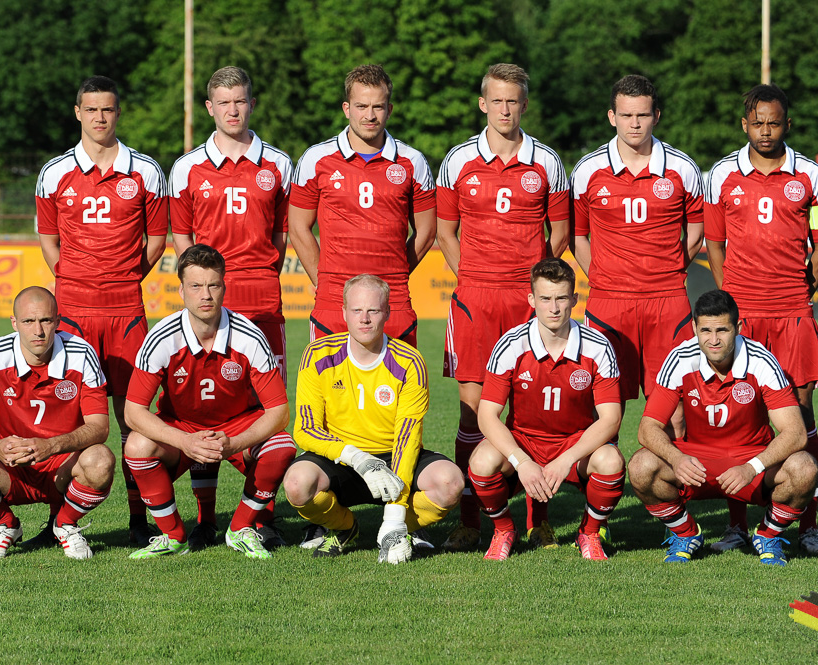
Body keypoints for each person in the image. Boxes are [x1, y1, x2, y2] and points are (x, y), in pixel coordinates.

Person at [436, 64, 570, 552]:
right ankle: (471, 520)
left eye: (513, 101)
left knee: (536, 417)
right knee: (472, 416)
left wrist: (534, 287)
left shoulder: (547, 161)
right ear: (483, 104)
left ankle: (539, 521)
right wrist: (472, 278)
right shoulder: (457, 160)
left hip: (527, 303)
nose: (505, 109)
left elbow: (560, 232)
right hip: (476, 302)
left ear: (524, 105)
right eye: (497, 100)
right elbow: (445, 232)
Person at [35, 75, 169, 547]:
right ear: (78, 113)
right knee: (65, 419)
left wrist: (123, 280)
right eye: (91, 109)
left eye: (107, 109)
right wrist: (75, 281)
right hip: (72, 314)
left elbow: (157, 241)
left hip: (126, 312)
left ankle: (139, 518)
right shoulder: (54, 172)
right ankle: (58, 520)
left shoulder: (146, 170)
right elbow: (49, 242)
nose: (99, 117)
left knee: (133, 415)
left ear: (118, 113)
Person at [704, 84, 818, 555]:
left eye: (773, 123)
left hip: (792, 313)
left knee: (801, 413)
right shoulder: (721, 174)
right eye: (757, 122)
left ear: (787, 124)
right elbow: (714, 242)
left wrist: (800, 293)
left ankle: (808, 526)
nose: (765, 131)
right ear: (745, 124)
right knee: (742, 417)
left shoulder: (811, 175)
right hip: (745, 315)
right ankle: (737, 526)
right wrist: (732, 300)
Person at [168, 66, 293, 550]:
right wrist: (203, 282)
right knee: (208, 403)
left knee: (264, 406)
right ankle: (205, 519)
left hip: (262, 296)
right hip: (209, 295)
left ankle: (261, 517)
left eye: (240, 101)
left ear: (252, 103)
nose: (233, 110)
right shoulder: (187, 167)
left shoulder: (277, 163)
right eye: (223, 102)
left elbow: (281, 235)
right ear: (209, 108)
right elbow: (183, 239)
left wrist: (259, 272)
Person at [123, 244, 296, 559]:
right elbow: (133, 412)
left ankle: (239, 529)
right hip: (182, 427)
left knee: (282, 446)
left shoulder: (249, 336)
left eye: (213, 285)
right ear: (181, 291)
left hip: (236, 424)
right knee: (136, 445)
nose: (205, 295)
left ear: (224, 287)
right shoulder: (161, 338)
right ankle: (172, 536)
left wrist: (235, 443)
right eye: (196, 286)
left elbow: (279, 412)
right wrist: (184, 441)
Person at [629, 290, 818, 566]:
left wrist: (751, 467)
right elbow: (647, 428)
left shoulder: (761, 360)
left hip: (752, 460)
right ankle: (686, 533)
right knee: (640, 467)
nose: (713, 340)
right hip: (697, 461)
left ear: (738, 328)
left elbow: (796, 433)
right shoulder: (680, 358)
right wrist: (676, 458)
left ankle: (768, 535)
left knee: (805, 469)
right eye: (705, 330)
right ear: (694, 328)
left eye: (722, 330)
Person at [283, 274, 463, 563]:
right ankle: (344, 527)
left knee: (450, 483)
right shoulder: (317, 355)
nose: (364, 319)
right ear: (344, 312)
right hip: (342, 459)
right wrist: (357, 458)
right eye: (356, 310)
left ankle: (400, 529)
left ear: (387, 313)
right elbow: (305, 429)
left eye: (373, 310)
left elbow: (407, 437)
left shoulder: (409, 361)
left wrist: (395, 516)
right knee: (297, 484)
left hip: (393, 458)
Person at [0, 287, 115, 560]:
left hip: (62, 467)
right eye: (28, 321)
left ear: (58, 321)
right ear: (14, 323)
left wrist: (51, 445)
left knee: (101, 460)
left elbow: (100, 427)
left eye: (46, 320)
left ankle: (65, 524)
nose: (38, 331)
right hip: (10, 467)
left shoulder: (81, 353)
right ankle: (5, 525)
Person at [468, 258, 624, 560]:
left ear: (574, 300)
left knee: (610, 461)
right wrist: (521, 461)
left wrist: (566, 459)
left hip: (574, 442)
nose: (554, 308)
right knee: (482, 461)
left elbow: (611, 419)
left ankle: (589, 533)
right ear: (532, 300)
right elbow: (486, 416)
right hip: (523, 441)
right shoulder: (510, 344)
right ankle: (504, 530)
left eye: (561, 298)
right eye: (545, 299)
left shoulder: (598, 346)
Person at [570, 75, 703, 426]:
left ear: (656, 116)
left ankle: (674, 465)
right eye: (626, 115)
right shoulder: (588, 170)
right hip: (609, 302)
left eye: (642, 115)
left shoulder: (682, 168)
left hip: (668, 301)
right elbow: (577, 237)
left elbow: (695, 234)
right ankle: (606, 465)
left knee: (675, 408)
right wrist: (602, 276)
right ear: (611, 116)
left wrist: (668, 272)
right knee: (604, 405)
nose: (634, 124)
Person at [288, 64, 437, 348]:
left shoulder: (412, 161)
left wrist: (394, 276)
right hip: (334, 300)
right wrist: (325, 282)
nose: (369, 115)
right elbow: (297, 227)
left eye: (378, 107)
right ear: (347, 108)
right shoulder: (316, 158)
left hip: (392, 299)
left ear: (389, 109)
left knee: (397, 378)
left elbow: (427, 232)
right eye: (361, 106)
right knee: (329, 379)